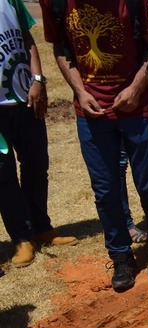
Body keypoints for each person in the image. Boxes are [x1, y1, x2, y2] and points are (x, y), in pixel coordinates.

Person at [41, 0, 148, 292]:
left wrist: (135, 89)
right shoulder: (54, 3)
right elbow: (62, 49)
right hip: (91, 115)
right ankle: (120, 256)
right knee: (105, 189)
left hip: (138, 110)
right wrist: (79, 91)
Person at [0, 0, 77, 269]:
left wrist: (37, 80)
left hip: (25, 99)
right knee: (3, 176)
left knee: (36, 165)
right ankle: (22, 238)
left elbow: (27, 38)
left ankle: (42, 228)